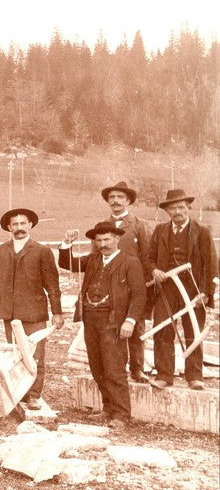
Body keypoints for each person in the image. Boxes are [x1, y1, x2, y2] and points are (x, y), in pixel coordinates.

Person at [59, 181, 155, 383]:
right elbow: (95, 258)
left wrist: (144, 286)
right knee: (112, 335)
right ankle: (115, 370)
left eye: (120, 197)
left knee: (134, 328)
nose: (116, 201)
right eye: (112, 198)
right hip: (109, 289)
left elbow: (146, 257)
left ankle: (137, 369)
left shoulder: (139, 225)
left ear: (128, 201)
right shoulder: (102, 227)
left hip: (133, 283)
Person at [0, 208, 64, 407]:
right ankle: (19, 392)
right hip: (10, 313)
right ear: (9, 228)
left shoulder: (42, 251)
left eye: (23, 223)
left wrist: (57, 313)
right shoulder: (1, 251)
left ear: (30, 225)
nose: (19, 228)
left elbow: (52, 285)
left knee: (35, 355)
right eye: (15, 224)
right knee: (14, 355)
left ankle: (34, 395)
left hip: (34, 313)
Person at [74, 221, 149, 428]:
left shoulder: (130, 262)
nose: (103, 244)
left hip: (114, 321)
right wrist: (66, 244)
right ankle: (108, 408)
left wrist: (130, 320)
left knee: (114, 367)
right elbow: (69, 263)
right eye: (99, 240)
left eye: (107, 239)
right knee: (97, 366)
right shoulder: (93, 260)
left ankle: (122, 415)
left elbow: (139, 294)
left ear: (117, 239)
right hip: (91, 318)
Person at [144, 188, 215, 390]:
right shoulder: (160, 231)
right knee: (162, 330)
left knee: (193, 330)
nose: (178, 211)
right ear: (167, 211)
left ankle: (195, 377)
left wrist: (206, 292)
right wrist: (155, 270)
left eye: (181, 207)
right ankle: (164, 375)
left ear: (188, 208)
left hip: (193, 289)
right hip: (166, 289)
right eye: (173, 208)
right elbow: (148, 259)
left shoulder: (202, 231)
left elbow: (211, 264)